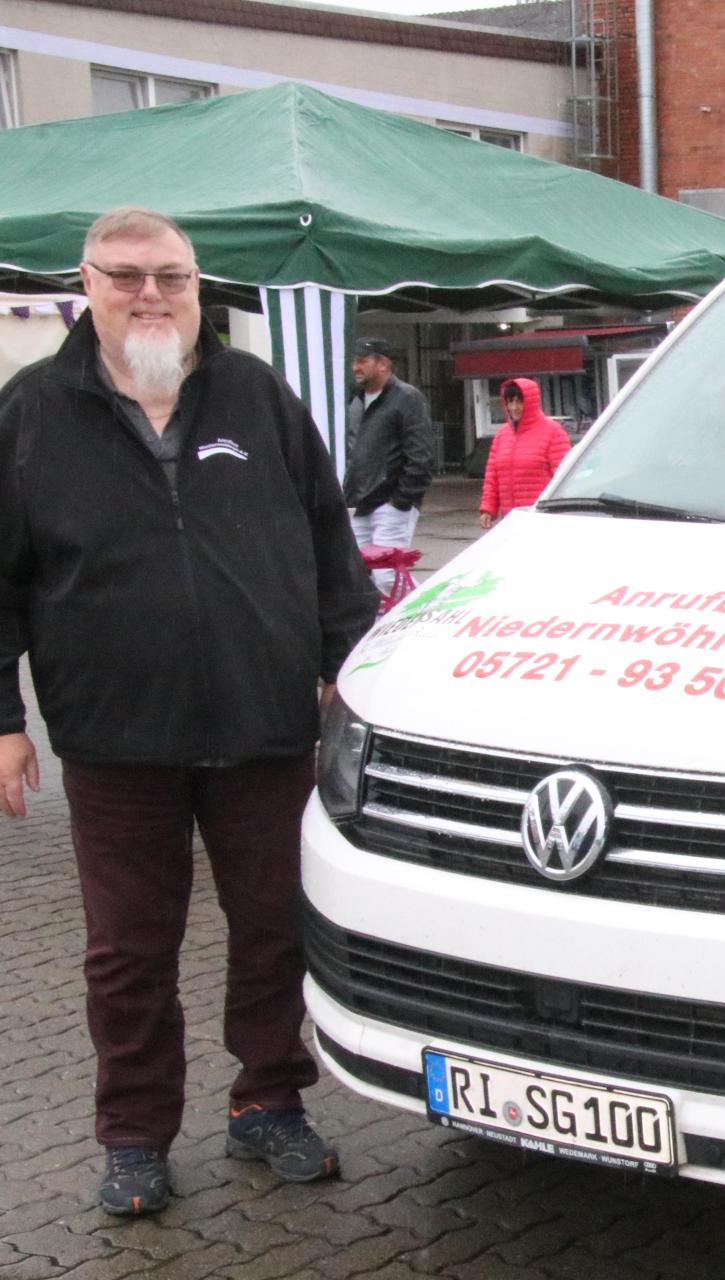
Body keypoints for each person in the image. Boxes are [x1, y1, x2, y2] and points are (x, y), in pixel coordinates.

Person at [0, 208, 379, 1216]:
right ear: (85, 285)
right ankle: (134, 1131)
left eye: (171, 275)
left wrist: (352, 666)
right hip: (115, 739)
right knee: (129, 949)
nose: (151, 294)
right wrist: (4, 716)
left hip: (263, 728)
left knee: (269, 927)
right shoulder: (33, 410)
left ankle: (267, 1102)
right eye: (126, 276)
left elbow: (328, 543)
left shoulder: (256, 394)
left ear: (200, 284)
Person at [341, 335, 434, 592]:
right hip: (359, 502)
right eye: (354, 361)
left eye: (362, 361)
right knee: (357, 576)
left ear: (383, 364)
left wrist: (402, 499)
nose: (355, 367)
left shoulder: (407, 398)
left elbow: (422, 454)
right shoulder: (355, 400)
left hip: (390, 502)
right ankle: (380, 625)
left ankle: (426, 614)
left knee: (387, 575)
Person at [478, 377, 570, 529]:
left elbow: (564, 478)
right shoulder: (501, 435)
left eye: (519, 401)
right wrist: (488, 509)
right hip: (510, 520)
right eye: (509, 401)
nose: (513, 407)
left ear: (531, 402)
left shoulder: (553, 432)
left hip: (542, 521)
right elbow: (492, 478)